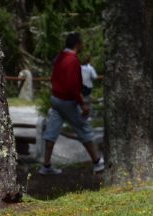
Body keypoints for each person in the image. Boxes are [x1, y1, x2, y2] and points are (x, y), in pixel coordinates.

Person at [39, 32, 104, 175]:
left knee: (52, 130)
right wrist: (82, 104)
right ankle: (97, 162)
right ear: (77, 44)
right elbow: (72, 85)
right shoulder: (72, 60)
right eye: (81, 43)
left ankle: (46, 165)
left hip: (56, 99)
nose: (83, 45)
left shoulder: (60, 57)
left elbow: (55, 78)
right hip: (67, 101)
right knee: (83, 127)